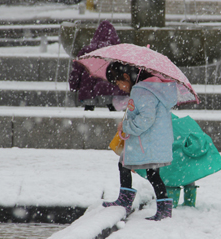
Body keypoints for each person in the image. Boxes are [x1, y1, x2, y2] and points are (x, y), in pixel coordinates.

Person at [101, 62, 177, 220]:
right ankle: (162, 209)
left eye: (118, 82)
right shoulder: (150, 88)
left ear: (127, 76)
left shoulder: (142, 91)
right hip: (152, 141)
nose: (120, 87)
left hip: (146, 142)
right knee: (138, 168)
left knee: (146, 172)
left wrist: (126, 126)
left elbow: (146, 119)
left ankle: (128, 201)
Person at [69, 21, 128, 111]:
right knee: (113, 110)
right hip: (109, 88)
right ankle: (114, 120)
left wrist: (74, 85)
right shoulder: (117, 52)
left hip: (88, 87)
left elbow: (77, 69)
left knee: (88, 110)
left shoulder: (87, 50)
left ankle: (87, 121)